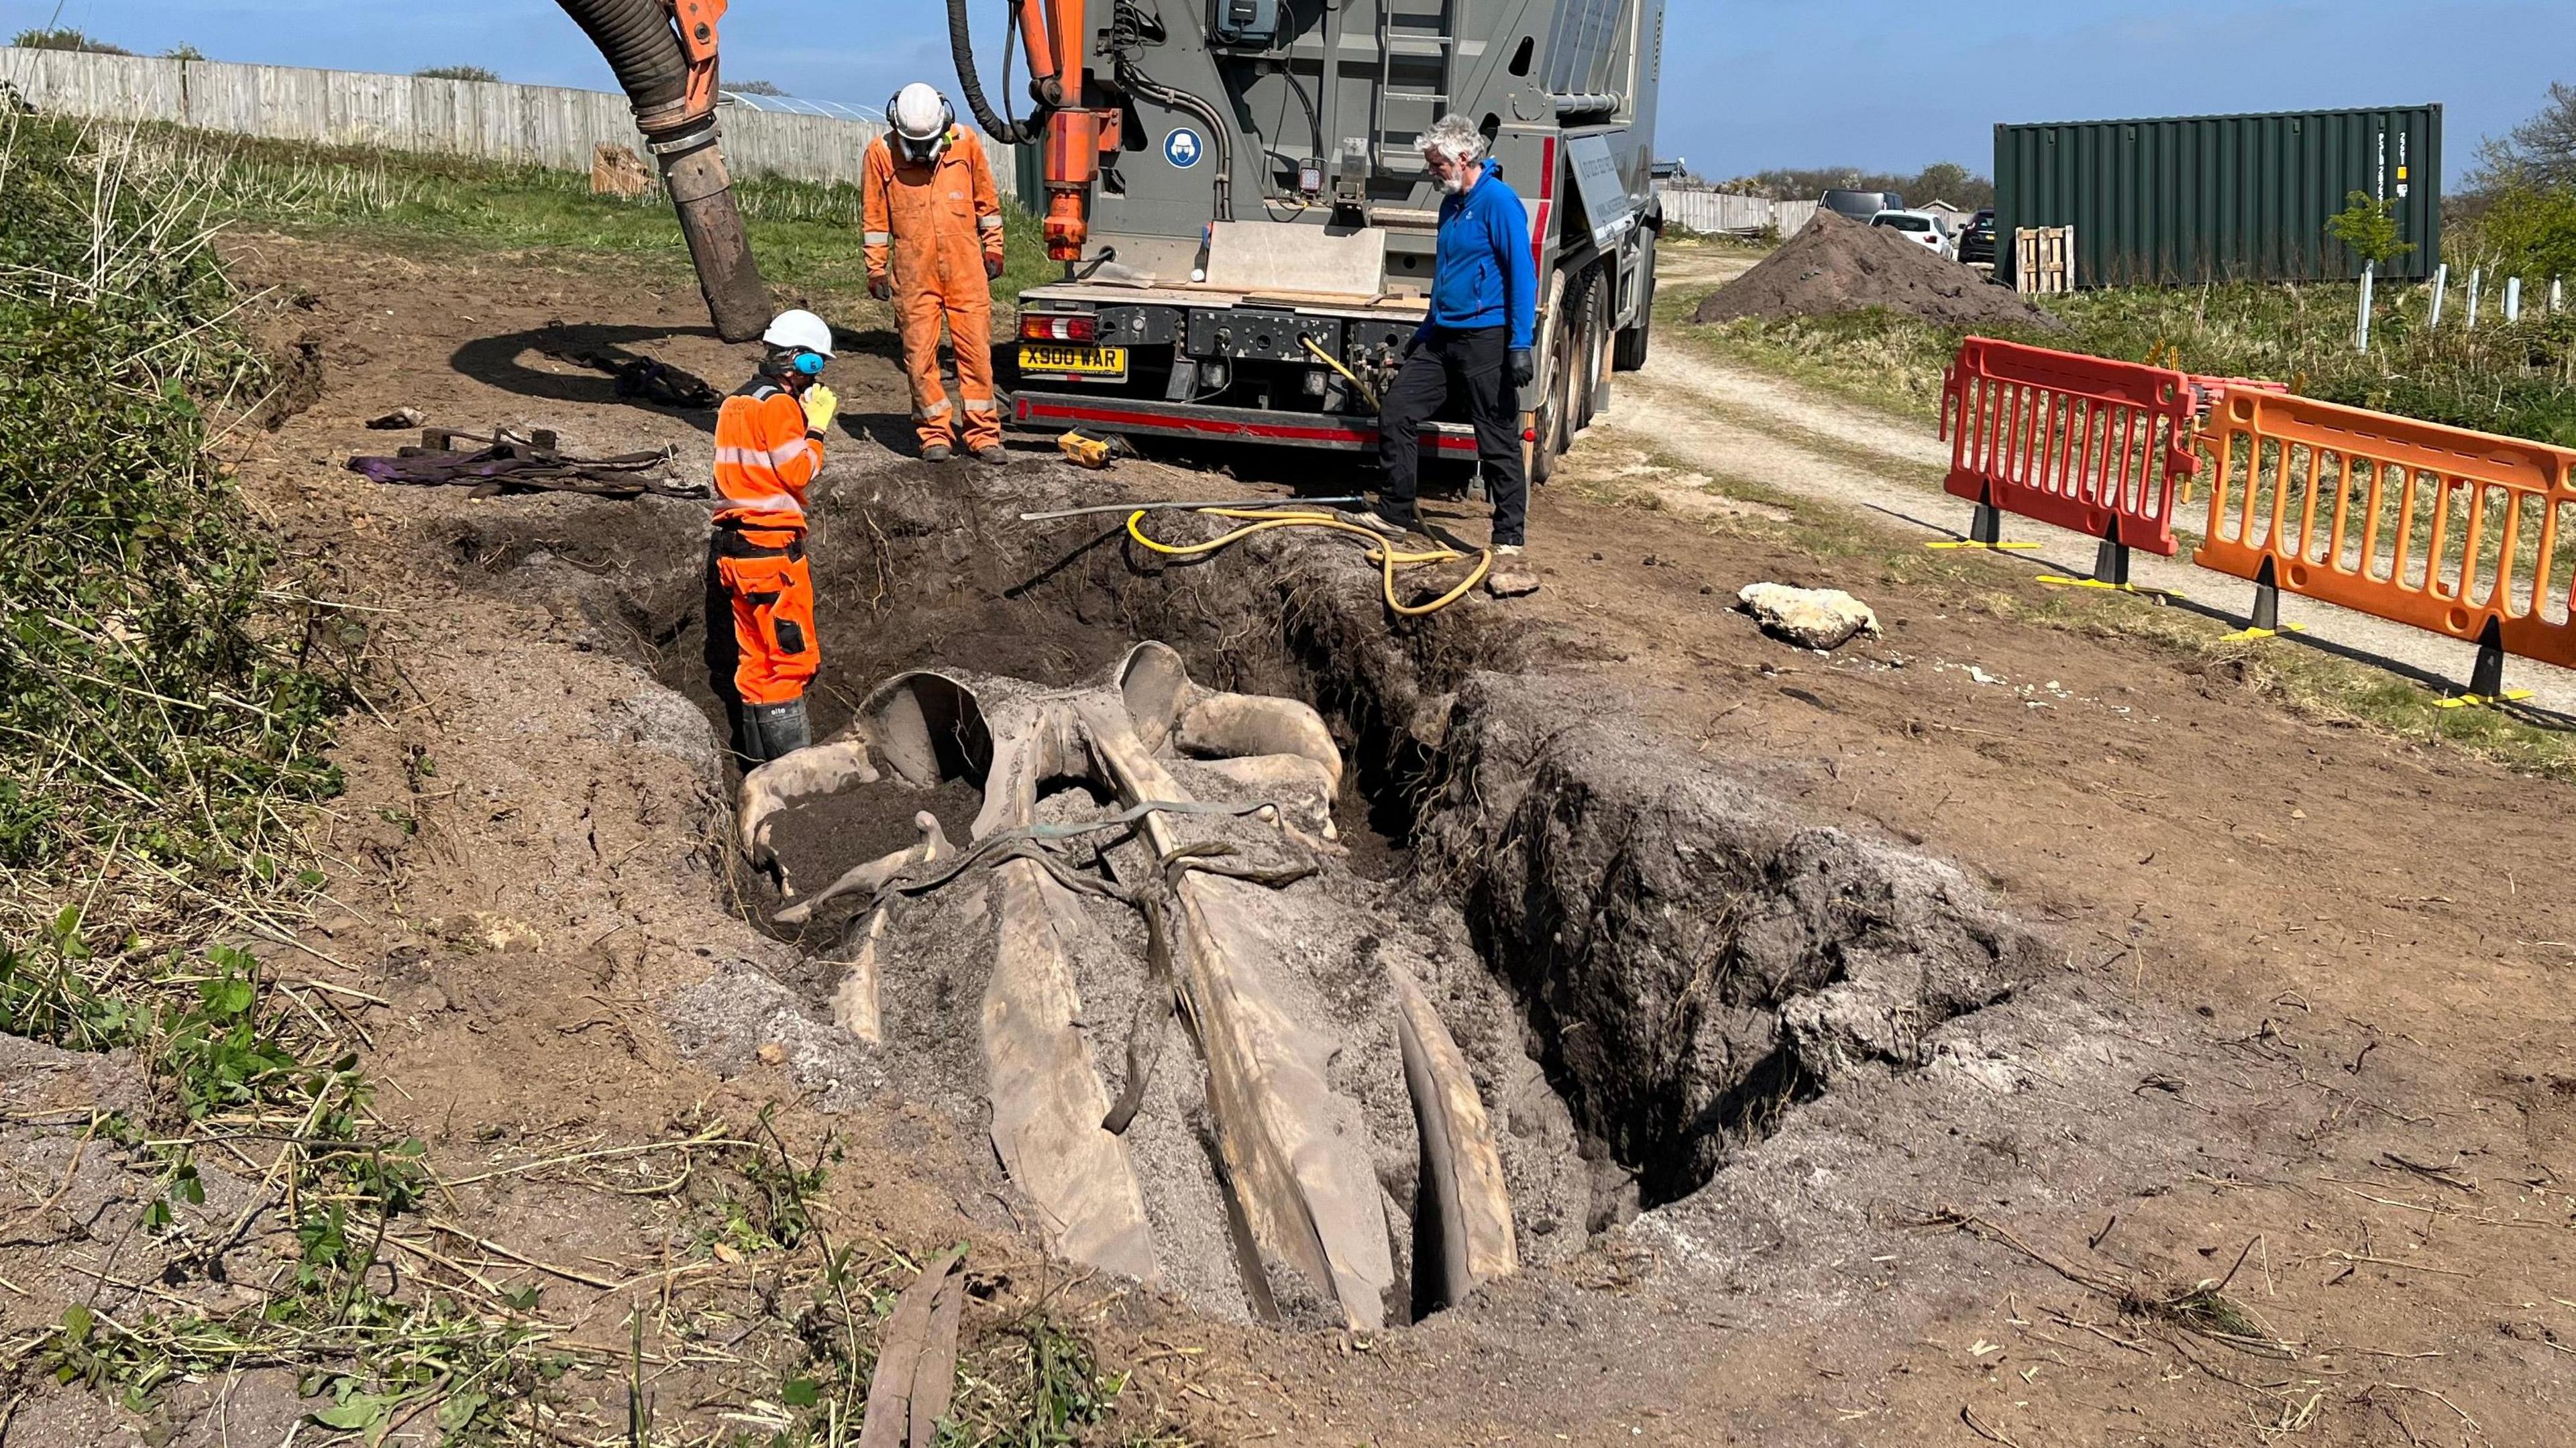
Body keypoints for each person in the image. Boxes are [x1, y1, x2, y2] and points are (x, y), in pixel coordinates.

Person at [1365, 114, 1540, 598]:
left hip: (1487, 337)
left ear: (1464, 158)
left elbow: (1523, 275)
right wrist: (1424, 335)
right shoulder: (1451, 206)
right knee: (1398, 410)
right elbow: (1445, 280)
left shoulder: (1499, 203)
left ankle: (1509, 541)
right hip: (1444, 336)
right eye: (1429, 163)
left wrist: (1520, 343)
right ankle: (1394, 515)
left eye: (1436, 162)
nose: (1431, 171)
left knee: (1497, 438)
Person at [705, 309, 837, 765]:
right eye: (816, 365)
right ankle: (796, 783)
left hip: (735, 556)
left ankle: (759, 775)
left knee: (756, 664)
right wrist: (816, 429)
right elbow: (798, 472)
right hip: (773, 556)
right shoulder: (780, 406)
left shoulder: (735, 403)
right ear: (802, 363)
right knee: (789, 663)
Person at [863, 82, 1009, 465]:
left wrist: (994, 245)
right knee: (920, 356)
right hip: (914, 272)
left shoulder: (965, 142)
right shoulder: (881, 153)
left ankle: (983, 434)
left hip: (966, 268)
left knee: (976, 353)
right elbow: (875, 216)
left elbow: (986, 200)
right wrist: (875, 267)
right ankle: (934, 434)